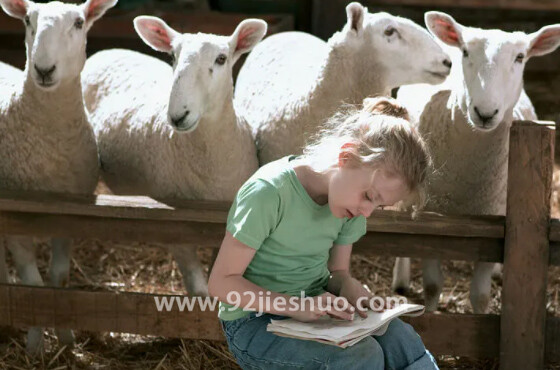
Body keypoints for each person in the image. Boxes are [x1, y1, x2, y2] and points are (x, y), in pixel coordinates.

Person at [208, 96, 438, 369]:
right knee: (362, 358)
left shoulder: (348, 206)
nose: (367, 212)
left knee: (402, 340)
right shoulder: (269, 193)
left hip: (314, 312)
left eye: (379, 205)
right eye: (369, 196)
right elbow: (221, 284)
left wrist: (348, 287)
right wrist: (296, 307)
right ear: (345, 156)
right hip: (254, 323)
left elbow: (336, 274)